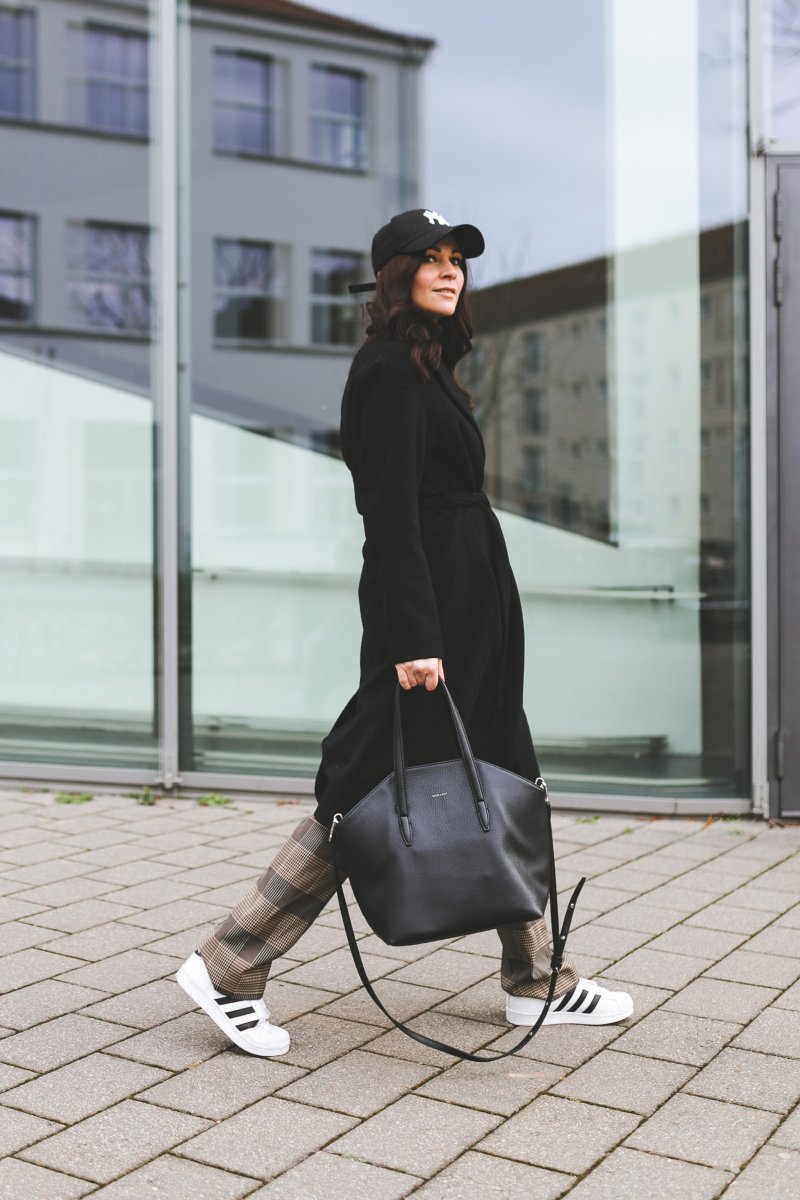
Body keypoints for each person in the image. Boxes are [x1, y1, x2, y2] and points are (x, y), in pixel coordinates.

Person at [176, 208, 634, 1056]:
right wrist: (415, 637)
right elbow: (388, 516)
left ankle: (537, 979)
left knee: (506, 771)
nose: (450, 269)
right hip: (432, 615)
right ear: (396, 273)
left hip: (471, 605)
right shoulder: (387, 370)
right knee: (362, 785)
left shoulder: (429, 368)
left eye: (457, 258)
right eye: (432, 257)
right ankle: (229, 964)